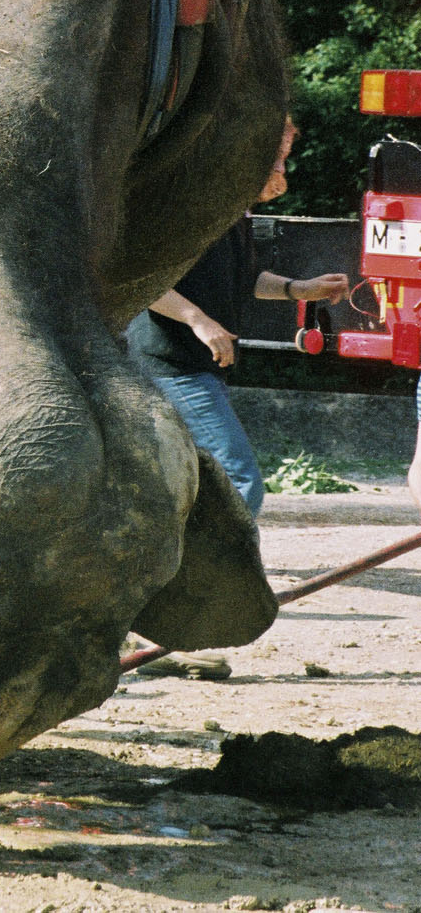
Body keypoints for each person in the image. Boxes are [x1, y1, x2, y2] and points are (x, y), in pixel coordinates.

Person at [125, 117, 348, 677]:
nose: (283, 176)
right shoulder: (191, 204)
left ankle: (150, 612)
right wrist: (199, 322)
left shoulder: (230, 212)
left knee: (191, 487)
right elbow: (145, 278)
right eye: (277, 161)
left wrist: (299, 289)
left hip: (188, 365)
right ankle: (189, 608)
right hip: (169, 362)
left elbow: (245, 278)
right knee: (237, 480)